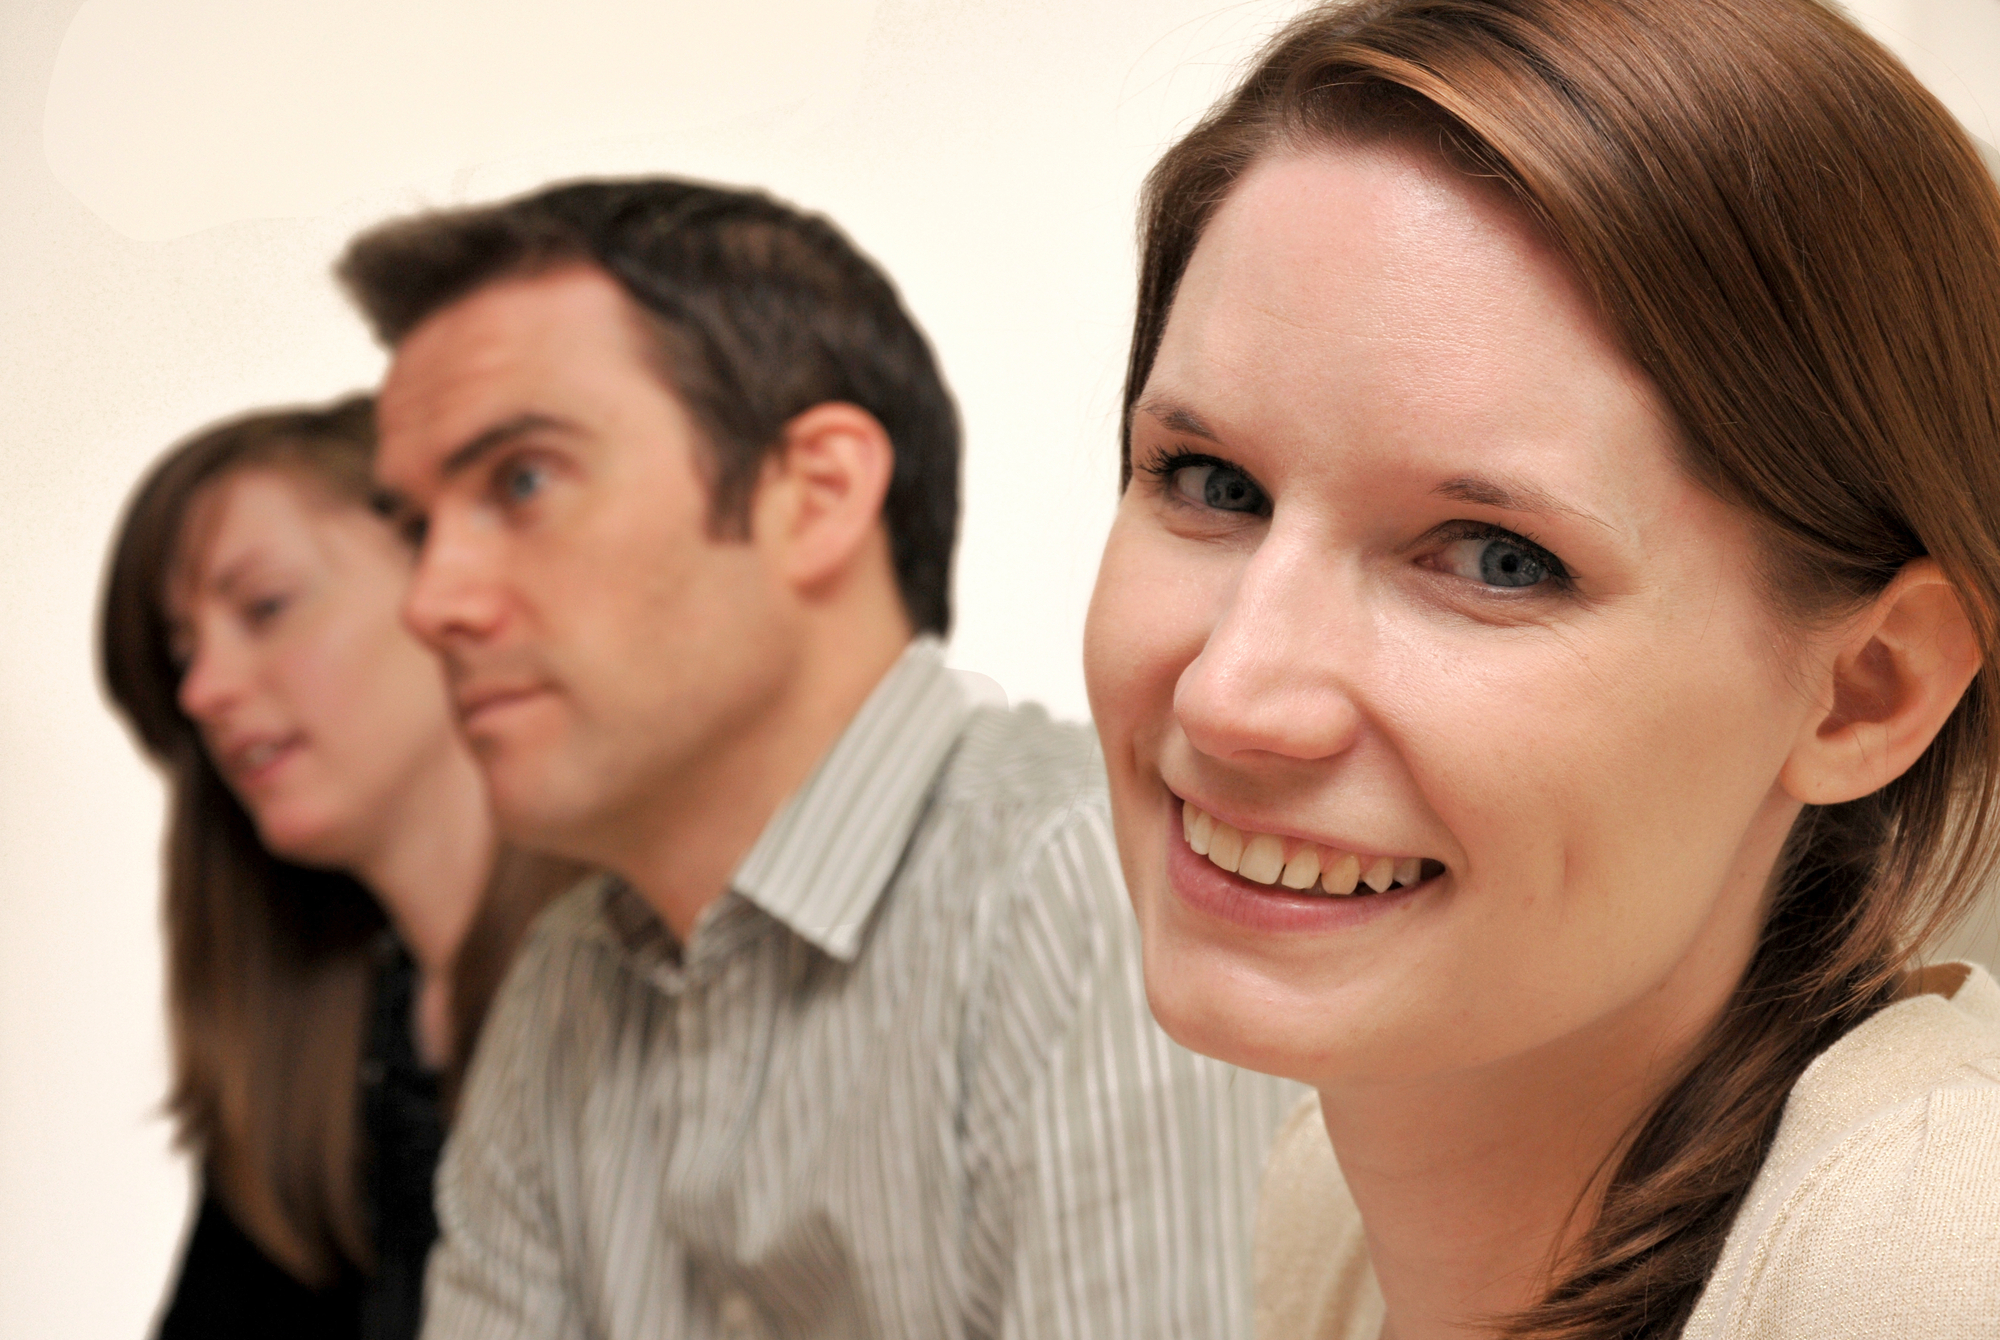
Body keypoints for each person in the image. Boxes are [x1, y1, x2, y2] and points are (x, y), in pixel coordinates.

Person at [1081, 1, 2000, 1338]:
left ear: (1871, 688)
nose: (1230, 697)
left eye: (1496, 559)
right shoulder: (1326, 1216)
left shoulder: (1931, 1264)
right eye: (1211, 482)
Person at [337, 178, 1299, 1340]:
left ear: (818, 494)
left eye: (522, 480)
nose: (431, 601)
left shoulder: (1085, 882)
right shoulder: (566, 983)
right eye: (417, 527)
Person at [100, 398, 582, 1340]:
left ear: (446, 587)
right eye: (183, 653)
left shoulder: (676, 976)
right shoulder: (323, 1054)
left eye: (265, 608)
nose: (203, 691)